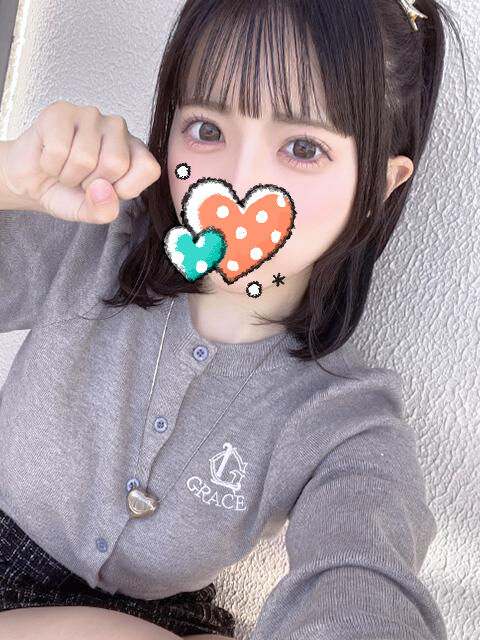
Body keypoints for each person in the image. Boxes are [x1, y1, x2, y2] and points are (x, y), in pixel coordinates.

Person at [0, 1, 467, 639]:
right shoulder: (94, 241)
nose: (238, 181)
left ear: (381, 185)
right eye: (207, 129)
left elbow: (364, 579)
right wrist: (11, 176)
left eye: (303, 147)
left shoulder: (344, 420)